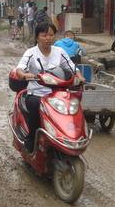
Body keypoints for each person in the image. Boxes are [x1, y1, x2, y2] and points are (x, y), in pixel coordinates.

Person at [16, 22, 85, 152]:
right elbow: (20, 69)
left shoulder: (60, 52)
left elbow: (72, 67)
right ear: (37, 37)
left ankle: (70, 136)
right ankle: (31, 139)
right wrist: (24, 75)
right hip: (37, 93)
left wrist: (79, 76)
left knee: (72, 107)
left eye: (51, 35)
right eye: (44, 35)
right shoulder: (31, 52)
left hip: (58, 93)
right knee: (35, 107)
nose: (48, 38)